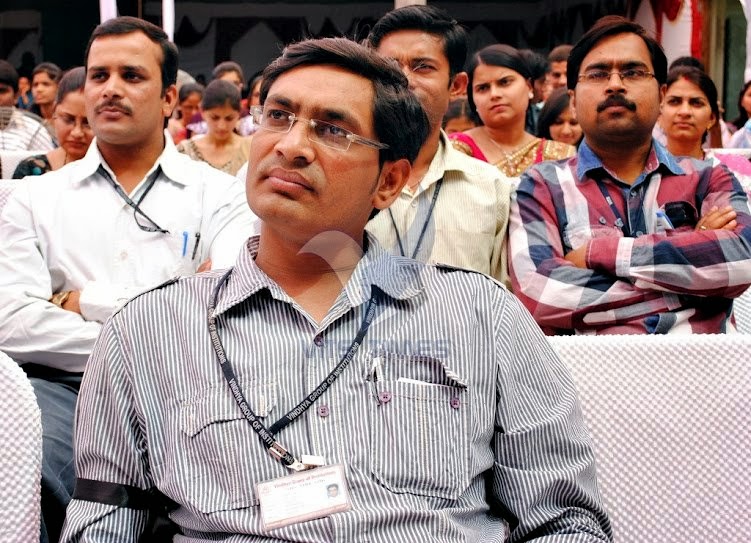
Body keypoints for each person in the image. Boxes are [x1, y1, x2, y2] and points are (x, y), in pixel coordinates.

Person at [60, 36, 611, 542]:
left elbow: (565, 521)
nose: (291, 146)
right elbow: (104, 522)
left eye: (332, 130)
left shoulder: (481, 317)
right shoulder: (149, 331)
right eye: (278, 116)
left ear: (388, 181)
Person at [0, 17, 256, 543]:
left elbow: (224, 307)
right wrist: (163, 317)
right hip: (67, 395)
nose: (110, 89)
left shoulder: (221, 195)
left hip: (190, 393)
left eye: (132, 76)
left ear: (168, 99)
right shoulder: (34, 198)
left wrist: (83, 300)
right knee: (22, 476)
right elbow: (11, 321)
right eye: (99, 75)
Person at [509, 15, 751, 335]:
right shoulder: (542, 186)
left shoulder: (708, 177)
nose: (615, 84)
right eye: (598, 73)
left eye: (633, 72)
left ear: (661, 95)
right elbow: (541, 294)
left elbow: (741, 260)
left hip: (710, 365)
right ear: (573, 99)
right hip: (587, 368)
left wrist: (600, 253)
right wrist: (698, 282)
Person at [365, 5, 513, 285]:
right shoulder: (343, 178)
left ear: (456, 85)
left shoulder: (492, 189)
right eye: (390, 67)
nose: (404, 79)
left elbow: (504, 296)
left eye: (423, 67)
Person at [450, 44, 575, 178]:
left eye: (504, 82)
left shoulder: (558, 155)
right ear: (473, 99)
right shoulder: (454, 150)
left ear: (529, 87)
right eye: (483, 88)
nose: (494, 94)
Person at [12, 67, 93, 177]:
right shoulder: (31, 172)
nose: (77, 132)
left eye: (88, 123)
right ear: (55, 111)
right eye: (68, 119)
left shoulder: (114, 174)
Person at [177, 79, 251, 175]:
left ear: (239, 114)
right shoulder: (185, 151)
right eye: (214, 118)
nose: (221, 126)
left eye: (229, 118)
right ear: (202, 112)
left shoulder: (250, 149)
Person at [0, 59, 56, 151]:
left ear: (16, 95)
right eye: (35, 84)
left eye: (2, 91)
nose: (39, 89)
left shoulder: (35, 131)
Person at [30, 62, 63, 128]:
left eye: (45, 84)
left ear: (59, 86)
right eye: (35, 85)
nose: (39, 89)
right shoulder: (28, 120)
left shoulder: (67, 119)